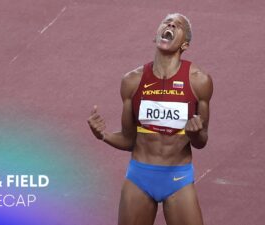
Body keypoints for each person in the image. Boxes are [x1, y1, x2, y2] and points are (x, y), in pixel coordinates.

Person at [87, 13, 213, 225]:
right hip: (140, 177)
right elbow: (129, 140)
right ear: (156, 37)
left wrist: (195, 134)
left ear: (185, 45)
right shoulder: (132, 81)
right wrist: (104, 135)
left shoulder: (200, 82)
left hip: (178, 179)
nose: (171, 23)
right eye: (166, 21)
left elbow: (201, 142)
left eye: (178, 24)